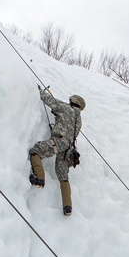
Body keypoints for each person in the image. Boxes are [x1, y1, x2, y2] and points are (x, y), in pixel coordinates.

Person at [28, 86, 85, 216]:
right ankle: (67, 207)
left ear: (72, 101)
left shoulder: (66, 108)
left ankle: (39, 179)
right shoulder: (79, 120)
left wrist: (40, 91)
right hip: (68, 149)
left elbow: (50, 101)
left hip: (59, 142)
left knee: (35, 151)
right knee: (63, 176)